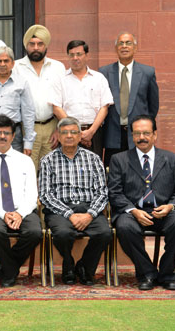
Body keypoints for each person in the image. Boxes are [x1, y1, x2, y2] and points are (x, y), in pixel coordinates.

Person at [108, 115, 175, 290]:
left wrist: (170, 207)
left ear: (155, 135)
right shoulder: (119, 159)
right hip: (132, 212)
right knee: (124, 227)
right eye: (137, 133)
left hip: (163, 211)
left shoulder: (171, 158)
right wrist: (133, 211)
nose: (141, 137)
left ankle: (167, 274)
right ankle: (147, 273)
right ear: (132, 136)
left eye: (146, 133)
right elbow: (114, 193)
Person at [39, 116, 112, 286]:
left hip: (88, 208)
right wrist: (70, 214)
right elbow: (45, 195)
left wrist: (89, 215)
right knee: (63, 233)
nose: (69, 136)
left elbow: (102, 192)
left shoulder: (93, 159)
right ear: (58, 135)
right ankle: (68, 265)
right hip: (59, 210)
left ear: (80, 136)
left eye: (73, 132)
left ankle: (85, 267)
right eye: (65, 133)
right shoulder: (48, 160)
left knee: (104, 233)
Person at [0, 115, 41, 287]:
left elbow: (32, 194)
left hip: (24, 210)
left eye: (6, 133)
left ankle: (4, 267)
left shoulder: (25, 161)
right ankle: (11, 271)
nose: (2, 136)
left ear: (13, 136)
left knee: (34, 232)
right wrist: (4, 214)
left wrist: (19, 213)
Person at [99, 32, 159, 167]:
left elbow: (153, 105)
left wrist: (144, 127)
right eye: (121, 43)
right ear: (116, 48)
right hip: (112, 133)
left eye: (128, 43)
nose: (124, 46)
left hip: (138, 134)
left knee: (139, 173)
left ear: (135, 48)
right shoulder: (104, 72)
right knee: (113, 174)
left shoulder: (147, 72)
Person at [50, 40, 113, 159]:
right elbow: (56, 108)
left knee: (93, 167)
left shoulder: (99, 78)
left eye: (79, 54)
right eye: (71, 54)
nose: (75, 58)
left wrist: (91, 131)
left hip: (94, 133)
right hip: (67, 132)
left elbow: (105, 107)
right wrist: (75, 130)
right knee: (68, 169)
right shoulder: (60, 79)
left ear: (87, 56)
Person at [14, 24, 66, 171]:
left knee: (52, 171)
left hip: (52, 128)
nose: (36, 48)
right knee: (27, 172)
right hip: (26, 129)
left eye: (40, 44)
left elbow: (63, 100)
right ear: (26, 46)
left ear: (46, 45)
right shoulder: (16, 67)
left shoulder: (58, 67)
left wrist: (59, 128)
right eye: (32, 44)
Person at [0, 46, 36, 158]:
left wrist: (28, 142)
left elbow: (28, 113)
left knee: (14, 170)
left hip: (13, 134)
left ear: (13, 63)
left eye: (6, 61)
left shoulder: (21, 83)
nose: (2, 64)